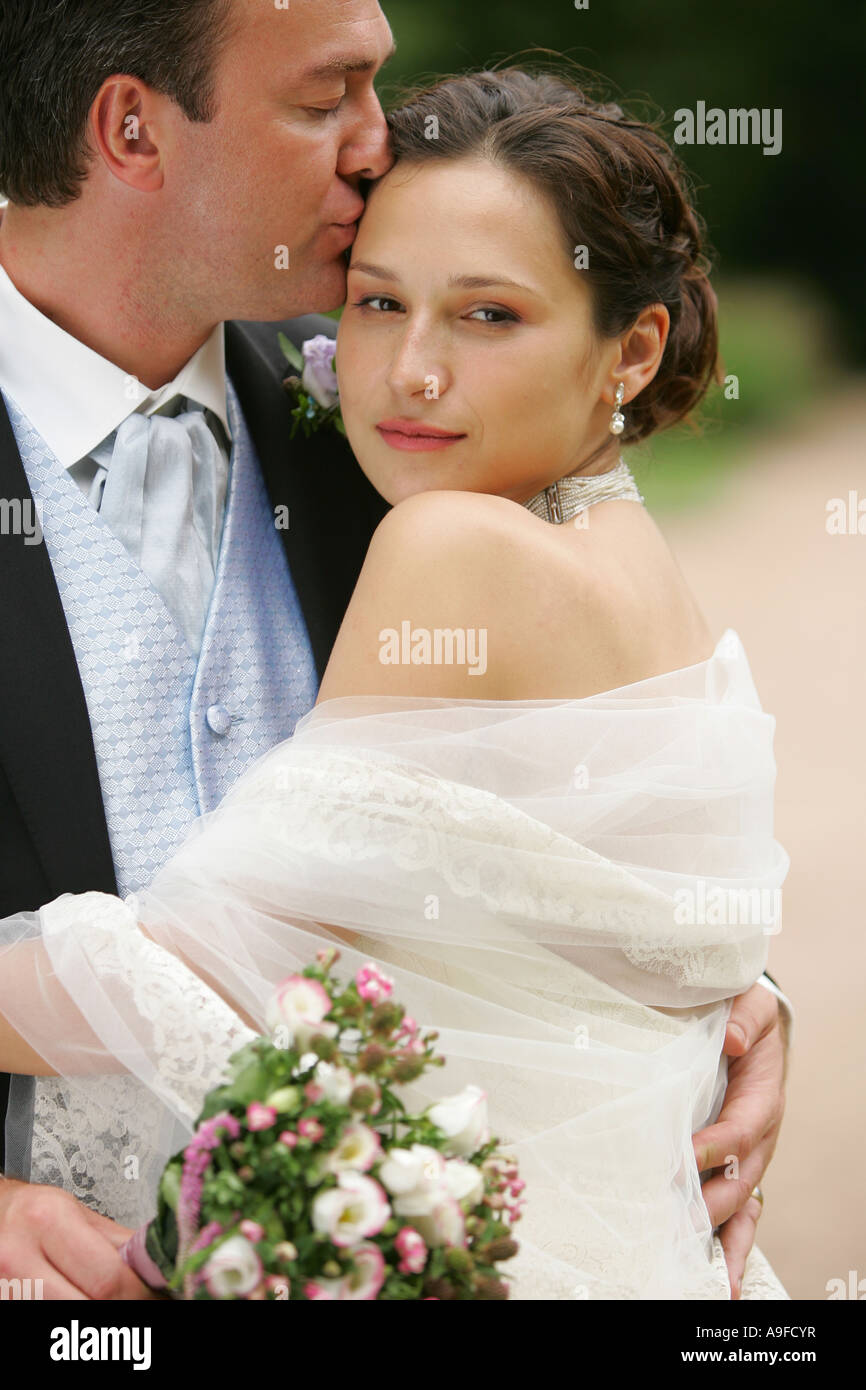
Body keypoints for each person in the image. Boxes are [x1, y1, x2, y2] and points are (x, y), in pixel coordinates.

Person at [0, 2, 789, 1300]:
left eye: (483, 314)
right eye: (328, 98)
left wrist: (730, 1002)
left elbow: (545, 816)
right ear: (131, 127)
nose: (377, 147)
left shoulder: (401, 443)